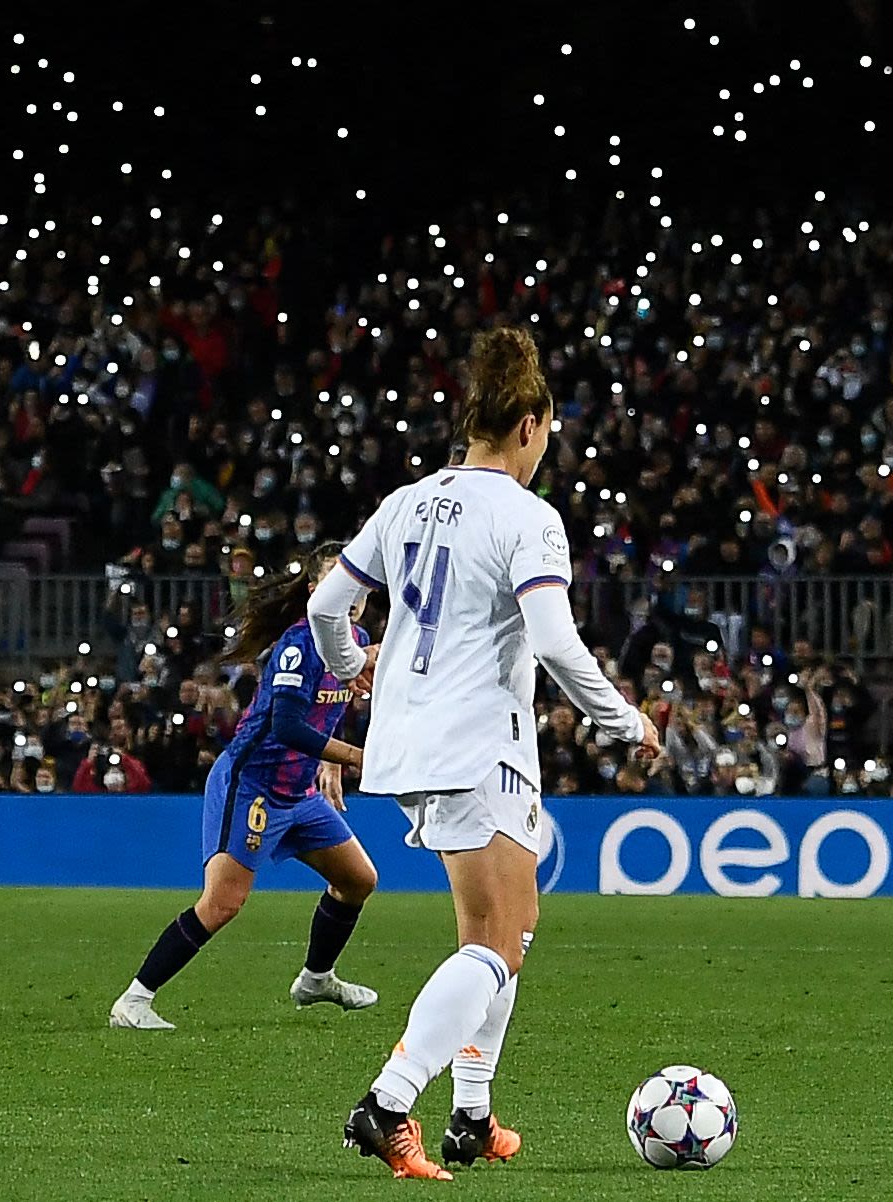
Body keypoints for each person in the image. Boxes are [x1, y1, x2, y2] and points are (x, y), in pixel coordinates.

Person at [313, 325, 650, 1179]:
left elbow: (326, 609)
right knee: (496, 947)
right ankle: (388, 1105)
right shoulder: (527, 517)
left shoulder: (404, 502)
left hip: (408, 739)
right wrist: (624, 722)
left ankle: (472, 1112)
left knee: (508, 926)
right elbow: (554, 639)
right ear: (531, 423)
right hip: (476, 743)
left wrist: (359, 672)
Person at [108, 562, 381, 1031]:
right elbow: (287, 725)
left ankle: (316, 979)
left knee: (358, 879)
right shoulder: (299, 645)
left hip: (299, 792)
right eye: (340, 582)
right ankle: (134, 1000)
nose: (351, 593)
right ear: (317, 591)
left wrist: (331, 761)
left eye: (359, 585)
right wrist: (358, 756)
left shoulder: (353, 644)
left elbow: (326, 709)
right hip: (251, 784)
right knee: (222, 904)